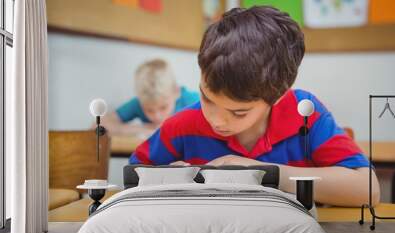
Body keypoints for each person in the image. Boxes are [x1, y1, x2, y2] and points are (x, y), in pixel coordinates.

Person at [128, 6, 380, 207]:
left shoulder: (305, 114)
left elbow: (368, 189)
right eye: (207, 98)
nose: (216, 120)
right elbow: (132, 177)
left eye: (238, 112)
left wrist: (259, 172)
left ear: (279, 96)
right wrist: (166, 178)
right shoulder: (183, 126)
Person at [100, 59, 199, 137]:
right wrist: (144, 129)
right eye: (149, 110)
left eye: (163, 107)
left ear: (176, 92)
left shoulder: (193, 101)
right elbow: (99, 126)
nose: (157, 116)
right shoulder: (139, 102)